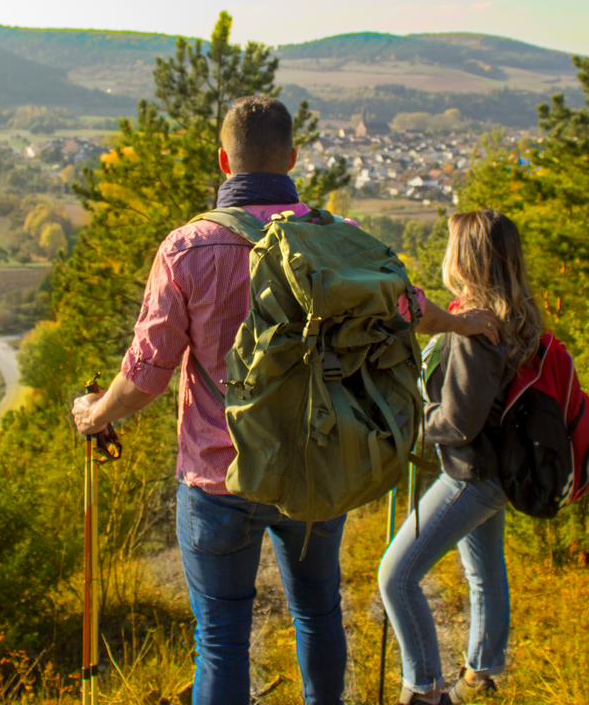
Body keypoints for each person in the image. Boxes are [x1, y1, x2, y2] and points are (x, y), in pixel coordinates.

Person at [72, 96, 498, 705]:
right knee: (319, 612)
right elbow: (409, 309)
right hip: (317, 463)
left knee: (220, 640)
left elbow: (147, 375)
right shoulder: (340, 239)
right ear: (294, 158)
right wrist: (464, 326)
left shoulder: (187, 249)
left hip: (218, 480)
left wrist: (94, 415)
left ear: (224, 161)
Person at [378, 209, 545, 705]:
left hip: (474, 474)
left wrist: (405, 421)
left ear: (467, 258)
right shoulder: (517, 314)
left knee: (396, 575)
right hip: (497, 468)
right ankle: (483, 673)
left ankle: (424, 688)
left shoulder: (478, 326)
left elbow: (456, 423)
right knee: (484, 570)